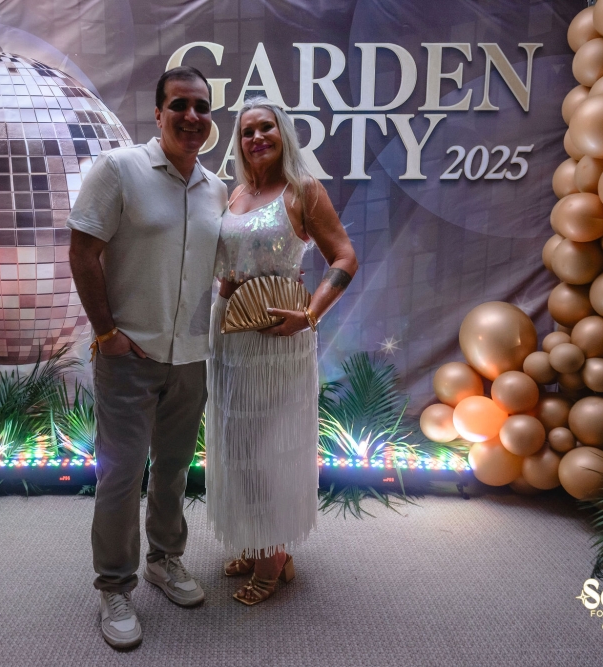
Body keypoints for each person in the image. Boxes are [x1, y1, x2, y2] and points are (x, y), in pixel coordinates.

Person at [67, 66, 227, 649]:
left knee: (174, 469)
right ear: (158, 113)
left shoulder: (216, 189)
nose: (191, 116)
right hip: (128, 354)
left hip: (190, 357)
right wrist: (106, 333)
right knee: (121, 475)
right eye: (179, 104)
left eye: (201, 106)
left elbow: (216, 272)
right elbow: (82, 252)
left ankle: (164, 559)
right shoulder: (120, 169)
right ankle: (114, 586)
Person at [207, 97, 358, 605]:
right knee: (237, 444)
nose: (257, 138)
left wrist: (310, 316)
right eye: (247, 131)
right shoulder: (234, 194)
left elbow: (345, 257)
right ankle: (259, 545)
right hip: (231, 334)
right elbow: (228, 265)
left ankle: (271, 562)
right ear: (239, 141)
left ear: (283, 132)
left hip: (279, 339)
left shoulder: (302, 190)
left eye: (266, 127)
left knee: (267, 448)